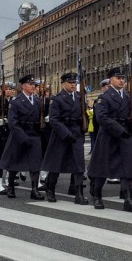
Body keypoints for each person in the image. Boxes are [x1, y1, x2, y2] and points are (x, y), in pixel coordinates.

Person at [88, 67, 132, 211]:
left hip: (125, 135)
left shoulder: (129, 97)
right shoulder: (104, 97)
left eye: (123, 78)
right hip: (109, 135)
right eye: (118, 78)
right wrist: (119, 130)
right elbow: (102, 118)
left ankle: (128, 199)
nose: (121, 81)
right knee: (102, 168)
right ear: (110, 80)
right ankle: (97, 196)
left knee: (127, 169)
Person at [42, 72, 88, 204]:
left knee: (79, 165)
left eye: (75, 83)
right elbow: (54, 120)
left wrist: (83, 127)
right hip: (62, 134)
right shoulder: (57, 99)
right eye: (70, 83)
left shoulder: (80, 97)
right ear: (63, 84)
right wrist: (66, 134)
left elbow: (84, 114)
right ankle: (50, 189)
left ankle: (79, 194)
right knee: (56, 164)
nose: (73, 85)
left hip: (77, 133)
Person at [0, 74, 46, 200]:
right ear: (23, 86)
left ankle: (34, 190)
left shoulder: (37, 101)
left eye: (34, 85)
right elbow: (13, 123)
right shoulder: (16, 102)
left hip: (34, 134)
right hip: (19, 135)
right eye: (30, 84)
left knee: (35, 165)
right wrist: (22, 137)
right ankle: (10, 186)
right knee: (15, 163)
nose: (33, 87)